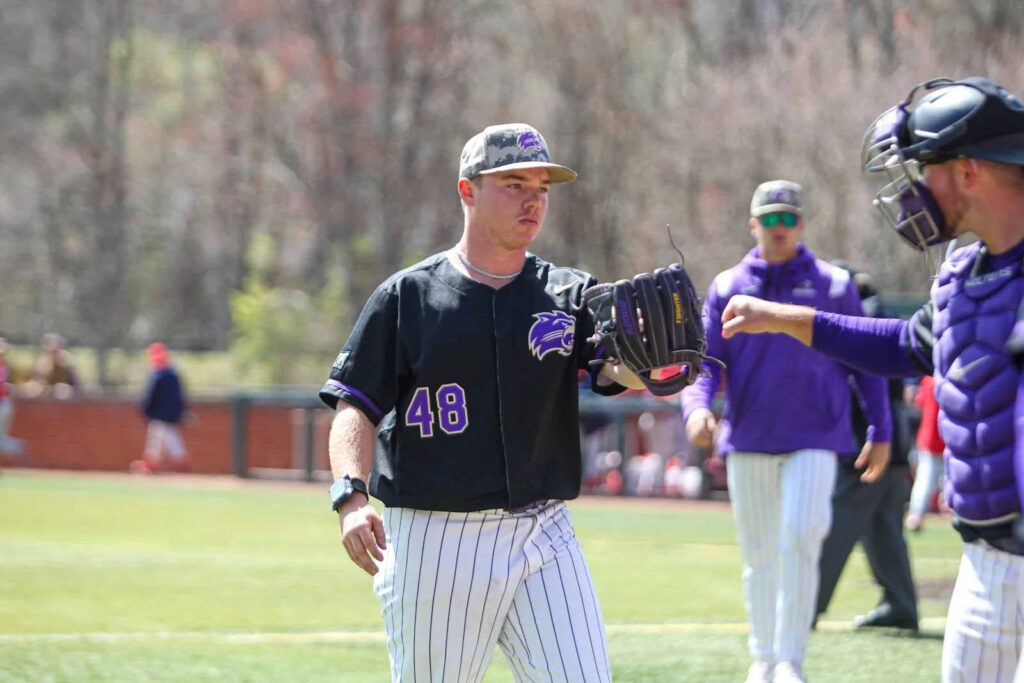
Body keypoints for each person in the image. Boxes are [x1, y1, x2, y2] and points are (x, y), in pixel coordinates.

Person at [718, 77, 1024, 683]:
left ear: (967, 172)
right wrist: (784, 319)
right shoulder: (964, 272)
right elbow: (907, 345)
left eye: (923, 170)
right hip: (985, 562)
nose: (912, 190)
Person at [319, 123, 643, 682]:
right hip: (436, 536)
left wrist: (654, 367)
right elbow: (356, 408)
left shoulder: (568, 293)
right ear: (467, 191)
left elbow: (615, 373)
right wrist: (351, 497)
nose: (533, 200)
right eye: (514, 183)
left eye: (542, 187)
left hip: (545, 529)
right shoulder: (408, 297)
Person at [681, 180, 892, 683]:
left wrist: (881, 428)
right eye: (769, 219)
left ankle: (790, 662)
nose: (779, 228)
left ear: (802, 224)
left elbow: (865, 360)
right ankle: (764, 657)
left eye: (788, 219)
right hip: (750, 438)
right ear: (753, 224)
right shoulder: (728, 285)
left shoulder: (834, 285)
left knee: (801, 538)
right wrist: (695, 409)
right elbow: (705, 363)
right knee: (758, 554)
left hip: (818, 435)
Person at [814, 262, 918, 633]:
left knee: (833, 526)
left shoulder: (861, 317)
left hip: (867, 445)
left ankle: (804, 607)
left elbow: (861, 385)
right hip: (894, 446)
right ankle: (901, 606)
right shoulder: (881, 311)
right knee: (884, 532)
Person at [132, 343, 189, 474]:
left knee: (161, 438)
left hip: (160, 414)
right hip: (170, 414)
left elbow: (151, 395)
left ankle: (176, 462)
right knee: (161, 438)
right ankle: (153, 463)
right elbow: (180, 398)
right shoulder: (173, 374)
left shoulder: (159, 375)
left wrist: (145, 410)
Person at [905, 374, 945, 532]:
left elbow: (917, 402)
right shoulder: (940, 382)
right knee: (930, 482)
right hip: (942, 441)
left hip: (929, 440)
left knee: (925, 482)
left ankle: (915, 516)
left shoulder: (927, 381)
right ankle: (916, 515)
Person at [27, 332, 78, 399]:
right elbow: (37, 379)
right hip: (45, 389)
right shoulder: (42, 361)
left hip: (62, 390)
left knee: (62, 390)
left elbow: (75, 383)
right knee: (34, 390)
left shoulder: (67, 362)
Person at [0, 338, 26, 458]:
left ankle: (18, 448)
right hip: (5, 403)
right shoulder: (4, 363)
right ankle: (18, 448)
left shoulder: (3, 364)